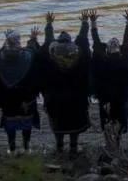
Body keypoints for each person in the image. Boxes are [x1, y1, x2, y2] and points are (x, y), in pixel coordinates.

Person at [39, 11, 92, 158]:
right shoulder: (80, 58)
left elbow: (47, 43)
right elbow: (83, 41)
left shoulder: (49, 60)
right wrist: (85, 23)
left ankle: (59, 147)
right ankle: (73, 147)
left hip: (55, 100)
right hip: (76, 99)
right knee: (74, 123)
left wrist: (49, 24)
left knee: (58, 123)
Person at [0, 27, 42, 155]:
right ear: (19, 41)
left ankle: (12, 148)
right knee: (27, 123)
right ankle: (26, 147)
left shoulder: (0, 56)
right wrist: (32, 39)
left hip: (7, 99)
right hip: (26, 99)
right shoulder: (27, 56)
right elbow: (33, 50)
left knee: (10, 123)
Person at [90, 9, 128, 148]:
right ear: (118, 50)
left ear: (107, 50)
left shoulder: (102, 61)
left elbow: (96, 44)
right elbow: (127, 41)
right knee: (120, 119)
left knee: (106, 118)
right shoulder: (124, 60)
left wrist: (93, 23)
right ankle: (118, 142)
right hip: (121, 97)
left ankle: (108, 142)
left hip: (105, 98)